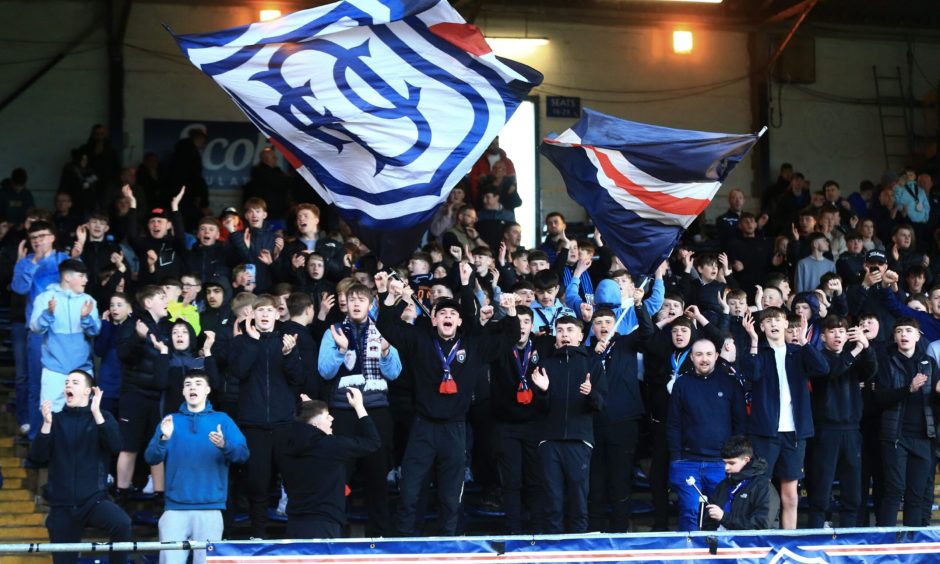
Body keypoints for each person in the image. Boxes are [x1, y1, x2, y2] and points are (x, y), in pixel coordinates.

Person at [376, 267, 520, 537]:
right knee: (409, 493)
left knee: (451, 498)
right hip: (423, 428)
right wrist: (393, 298)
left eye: (453, 314)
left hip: (455, 430)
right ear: (433, 320)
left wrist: (511, 313)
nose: (448, 316)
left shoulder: (473, 347)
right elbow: (386, 326)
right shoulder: (419, 340)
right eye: (442, 313)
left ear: (460, 321)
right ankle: (405, 546)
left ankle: (451, 547)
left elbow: (509, 338)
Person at [318, 282, 402, 536]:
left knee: (377, 475)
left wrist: (386, 350)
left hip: (376, 409)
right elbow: (324, 371)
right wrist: (341, 350)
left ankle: (380, 535)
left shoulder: (382, 330)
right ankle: (336, 533)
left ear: (370, 304)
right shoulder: (332, 331)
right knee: (339, 475)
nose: (356, 304)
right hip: (343, 411)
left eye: (361, 300)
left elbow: (395, 373)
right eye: (351, 299)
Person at [28, 371, 132, 564]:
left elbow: (115, 446)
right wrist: (46, 425)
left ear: (87, 391)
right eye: (67, 382)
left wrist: (97, 414)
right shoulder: (55, 420)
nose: (68, 385)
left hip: (94, 501)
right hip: (62, 506)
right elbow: (37, 458)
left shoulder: (102, 417)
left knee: (122, 523)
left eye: (75, 382)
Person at [144, 372, 249, 564]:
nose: (193, 387)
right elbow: (151, 457)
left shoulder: (222, 420)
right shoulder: (170, 420)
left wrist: (226, 445)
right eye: (188, 384)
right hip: (174, 508)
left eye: (198, 384)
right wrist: (164, 438)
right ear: (183, 391)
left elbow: (243, 455)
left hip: (211, 507)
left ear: (208, 390)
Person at [740, 307, 828, 529]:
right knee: (761, 491)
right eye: (768, 321)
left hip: (794, 432)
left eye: (777, 320)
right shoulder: (756, 351)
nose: (773, 324)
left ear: (786, 324)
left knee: (790, 495)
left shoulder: (798, 352)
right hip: (765, 432)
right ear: (761, 327)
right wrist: (752, 341)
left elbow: (822, 368)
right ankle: (763, 538)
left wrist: (805, 341)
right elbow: (752, 374)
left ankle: (789, 541)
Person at [535, 315, 605, 534]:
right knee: (552, 499)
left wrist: (590, 393)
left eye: (570, 330)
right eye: (561, 330)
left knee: (578, 499)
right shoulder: (545, 364)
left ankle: (579, 549)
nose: (565, 334)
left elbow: (602, 404)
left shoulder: (591, 363)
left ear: (580, 335)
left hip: (579, 440)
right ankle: (553, 551)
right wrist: (544, 391)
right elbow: (538, 409)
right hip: (549, 440)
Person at [667, 339, 746, 531]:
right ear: (692, 357)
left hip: (721, 463)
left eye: (709, 354)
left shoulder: (730, 383)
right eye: (699, 354)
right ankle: (689, 558)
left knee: (723, 513)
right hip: (688, 463)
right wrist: (676, 459)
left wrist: (734, 459)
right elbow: (674, 424)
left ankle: (722, 557)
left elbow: (740, 423)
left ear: (717, 356)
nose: (704, 359)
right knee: (689, 512)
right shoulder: (682, 384)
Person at [282, 387, 380, 538]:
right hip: (325, 525)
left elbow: (303, 428)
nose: (332, 419)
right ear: (315, 423)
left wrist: (310, 411)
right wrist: (359, 406)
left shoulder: (288, 447)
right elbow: (372, 442)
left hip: (294, 525)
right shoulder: (331, 445)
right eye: (327, 416)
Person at [808, 315, 876, 528]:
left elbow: (871, 371)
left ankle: (849, 537)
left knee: (853, 490)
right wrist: (856, 350)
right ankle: (816, 534)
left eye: (842, 331)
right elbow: (832, 370)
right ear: (824, 336)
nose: (838, 335)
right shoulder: (817, 357)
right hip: (825, 430)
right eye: (832, 331)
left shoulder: (853, 356)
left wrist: (866, 348)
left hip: (852, 429)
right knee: (821, 488)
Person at [875, 317, 939, 527]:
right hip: (895, 436)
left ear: (918, 336)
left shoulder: (928, 362)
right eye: (900, 331)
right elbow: (879, 398)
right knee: (894, 490)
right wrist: (908, 389)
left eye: (908, 330)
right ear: (894, 336)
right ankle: (884, 546)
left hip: (923, 436)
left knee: (916, 494)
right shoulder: (885, 361)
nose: (904, 334)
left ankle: (912, 548)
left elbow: (934, 400)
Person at [29, 259, 101, 414]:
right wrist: (48, 314)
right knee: (51, 416)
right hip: (54, 369)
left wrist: (86, 318)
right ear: (67, 277)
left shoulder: (89, 301)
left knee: (84, 417)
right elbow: (35, 328)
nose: (86, 280)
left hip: (83, 369)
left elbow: (95, 331)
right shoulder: (45, 298)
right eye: (81, 276)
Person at [701, 436, 775, 531]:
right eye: (724, 463)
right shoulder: (722, 486)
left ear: (746, 460)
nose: (726, 468)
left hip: (753, 544)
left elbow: (761, 526)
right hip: (720, 544)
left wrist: (724, 517)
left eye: (731, 463)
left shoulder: (763, 486)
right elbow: (708, 523)